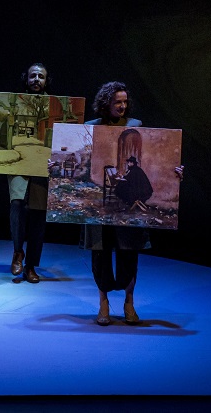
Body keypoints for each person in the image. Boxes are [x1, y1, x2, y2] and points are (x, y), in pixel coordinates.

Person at [81, 80, 184, 326]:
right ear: (106, 103)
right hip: (101, 216)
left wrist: (175, 172)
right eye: (117, 102)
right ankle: (103, 303)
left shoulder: (135, 126)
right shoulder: (91, 126)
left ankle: (129, 302)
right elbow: (85, 160)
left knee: (129, 252)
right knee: (100, 253)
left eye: (125, 102)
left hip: (128, 206)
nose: (122, 106)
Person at [6, 63, 52, 283]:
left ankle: (31, 266)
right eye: (33, 76)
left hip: (43, 166)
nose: (36, 80)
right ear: (26, 79)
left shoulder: (54, 106)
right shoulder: (13, 103)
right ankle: (18, 252)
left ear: (46, 81)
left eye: (41, 77)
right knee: (17, 204)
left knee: (38, 215)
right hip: (20, 161)